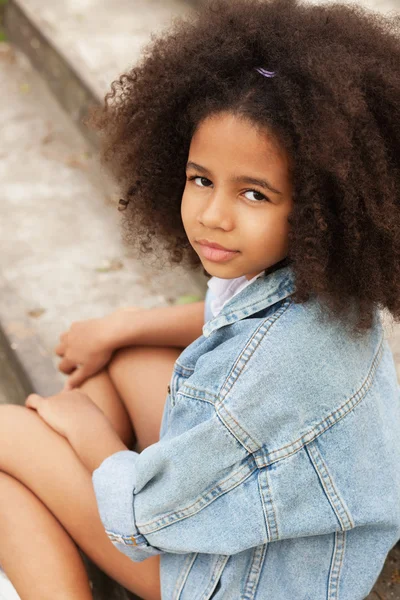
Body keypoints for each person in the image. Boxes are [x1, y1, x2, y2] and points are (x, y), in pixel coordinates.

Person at [1, 0, 400, 597]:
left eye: (255, 195)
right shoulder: (312, 288)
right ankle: (54, 494)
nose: (213, 216)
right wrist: (121, 326)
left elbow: (148, 514)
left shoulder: (282, 365)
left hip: (244, 579)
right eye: (201, 179)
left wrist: (85, 435)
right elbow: (223, 324)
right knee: (128, 359)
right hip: (272, 537)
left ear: (323, 210)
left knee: (5, 438)